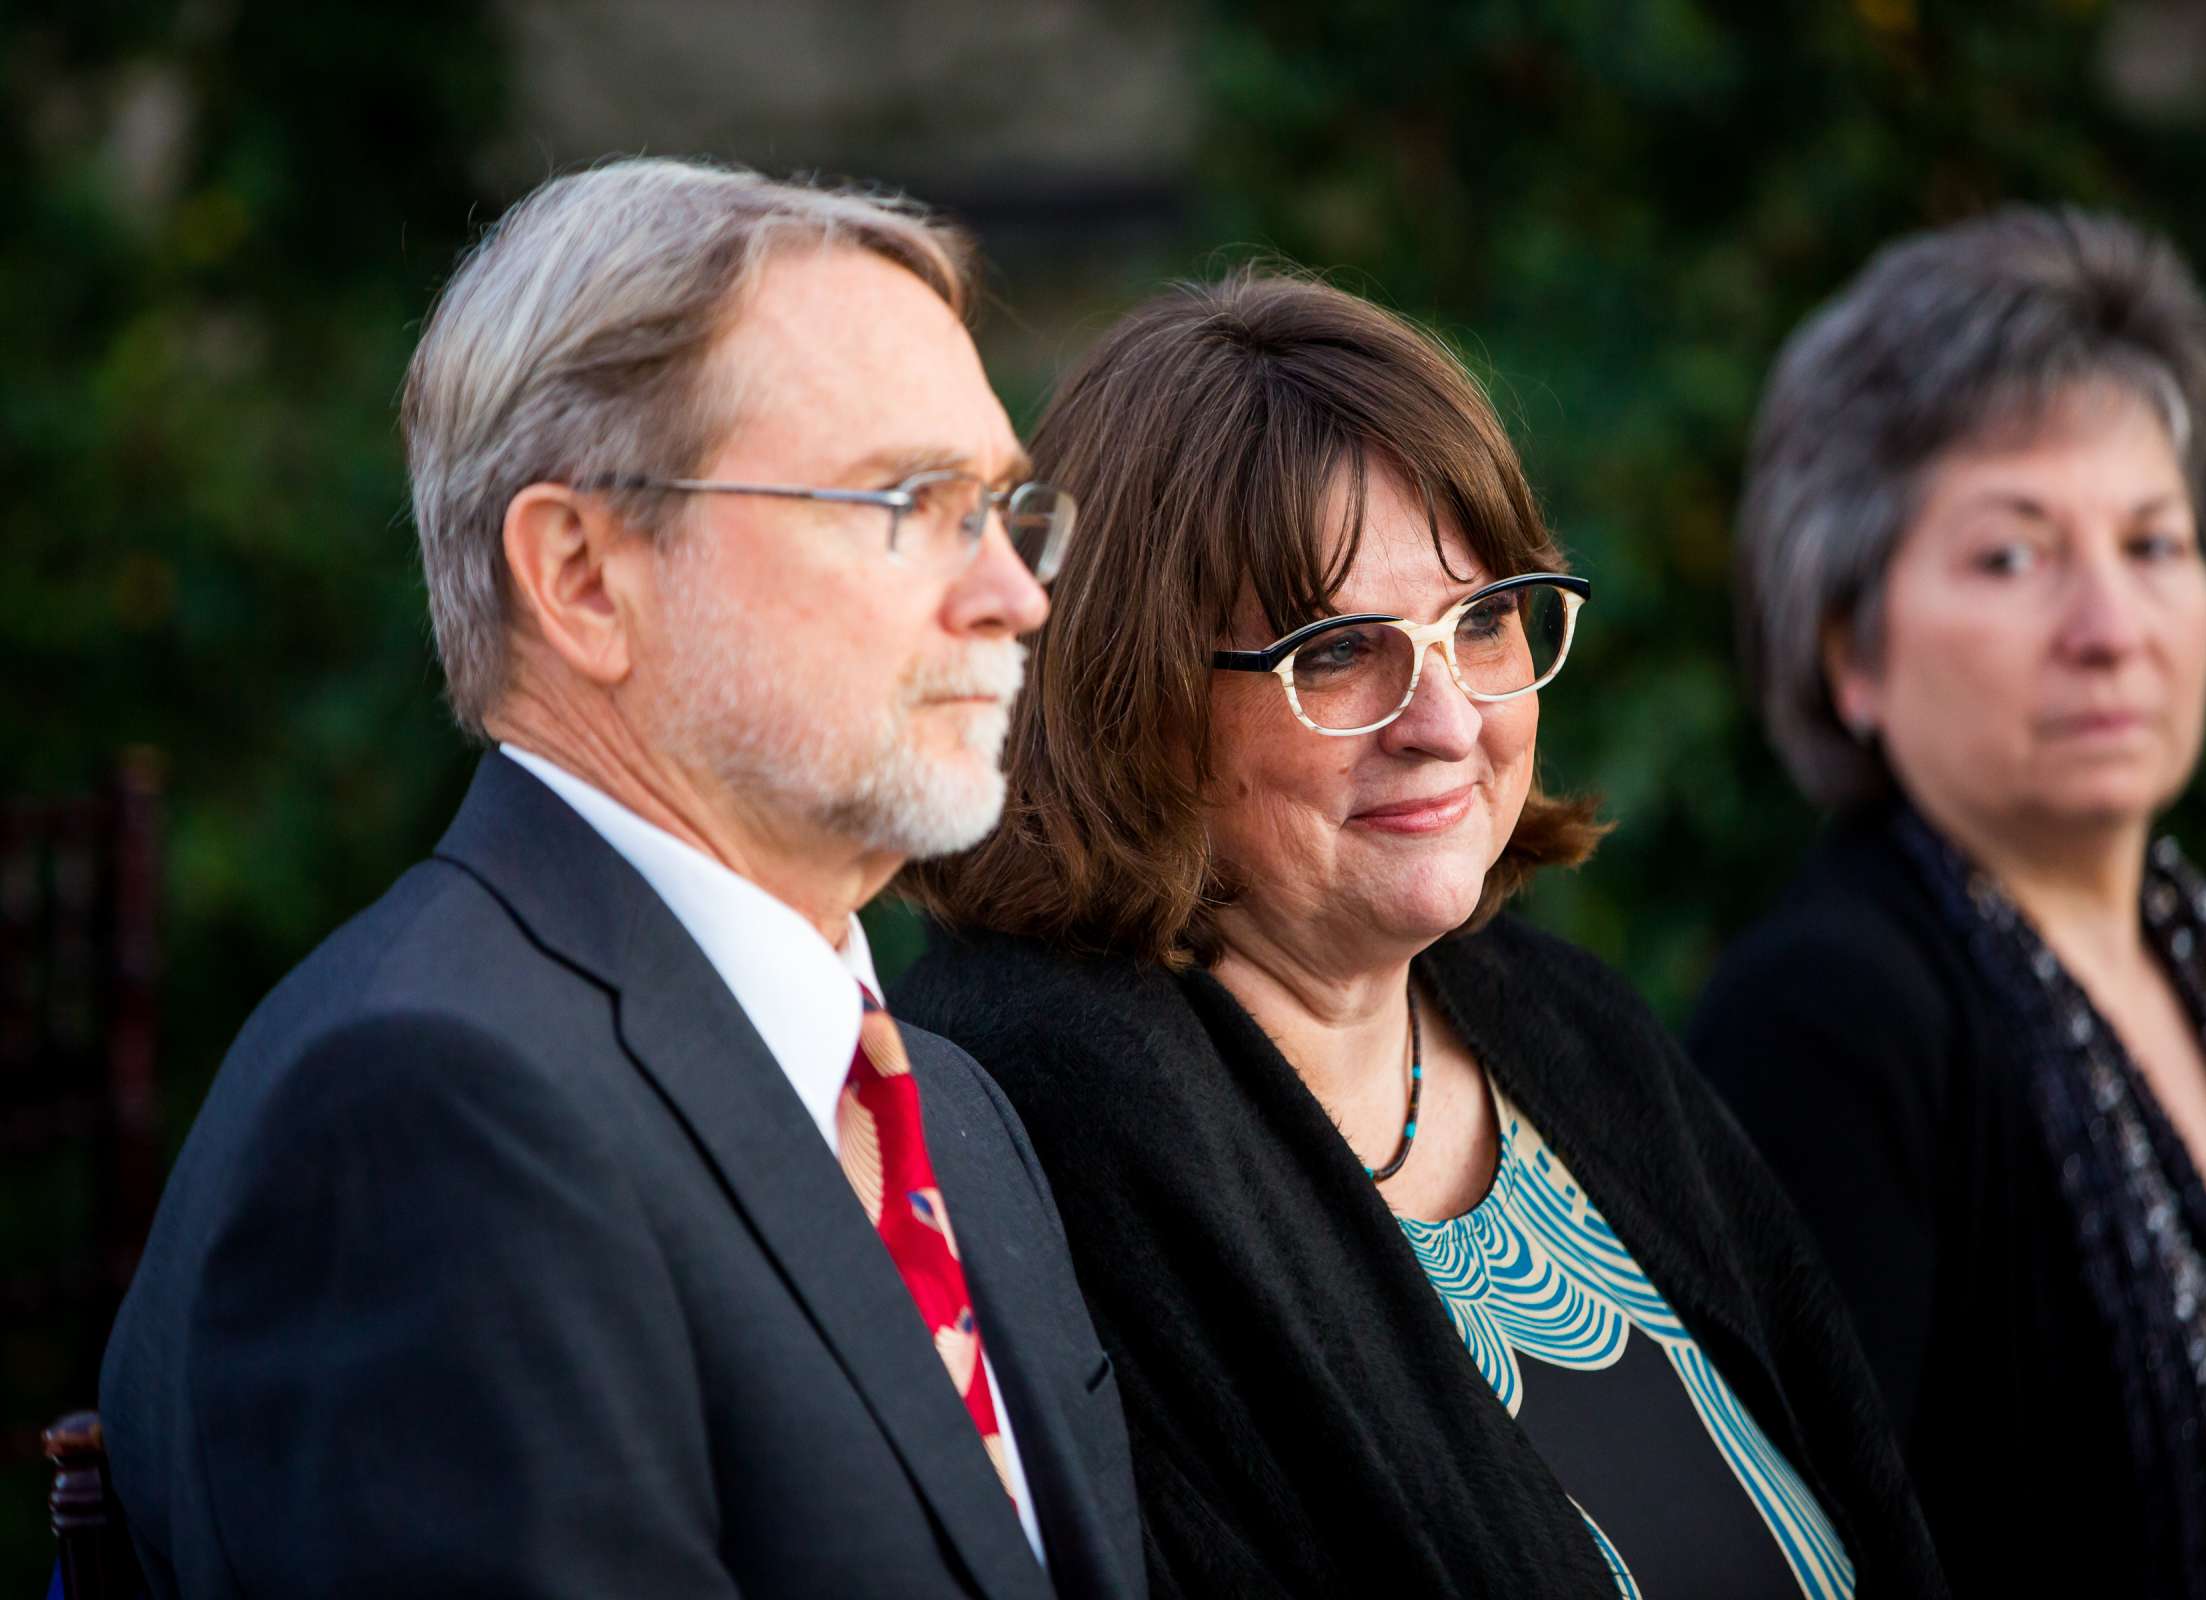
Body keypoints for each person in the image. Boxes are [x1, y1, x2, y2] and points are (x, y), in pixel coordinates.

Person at [98, 157, 1145, 1600]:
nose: (1014, 595)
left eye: (1005, 510)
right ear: (586, 575)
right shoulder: (426, 1114)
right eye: (909, 503)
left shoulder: (952, 1116)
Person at [896, 268, 1945, 1599]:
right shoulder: (1040, 1118)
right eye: (1338, 649)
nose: (1444, 719)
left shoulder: (1570, 1028)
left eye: (1484, 619)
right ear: (1136, 698)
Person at [1687, 208, 2206, 1600]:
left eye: (2154, 543)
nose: (2109, 626)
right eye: (2012, 556)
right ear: (1852, 653)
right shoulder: (1829, 1026)